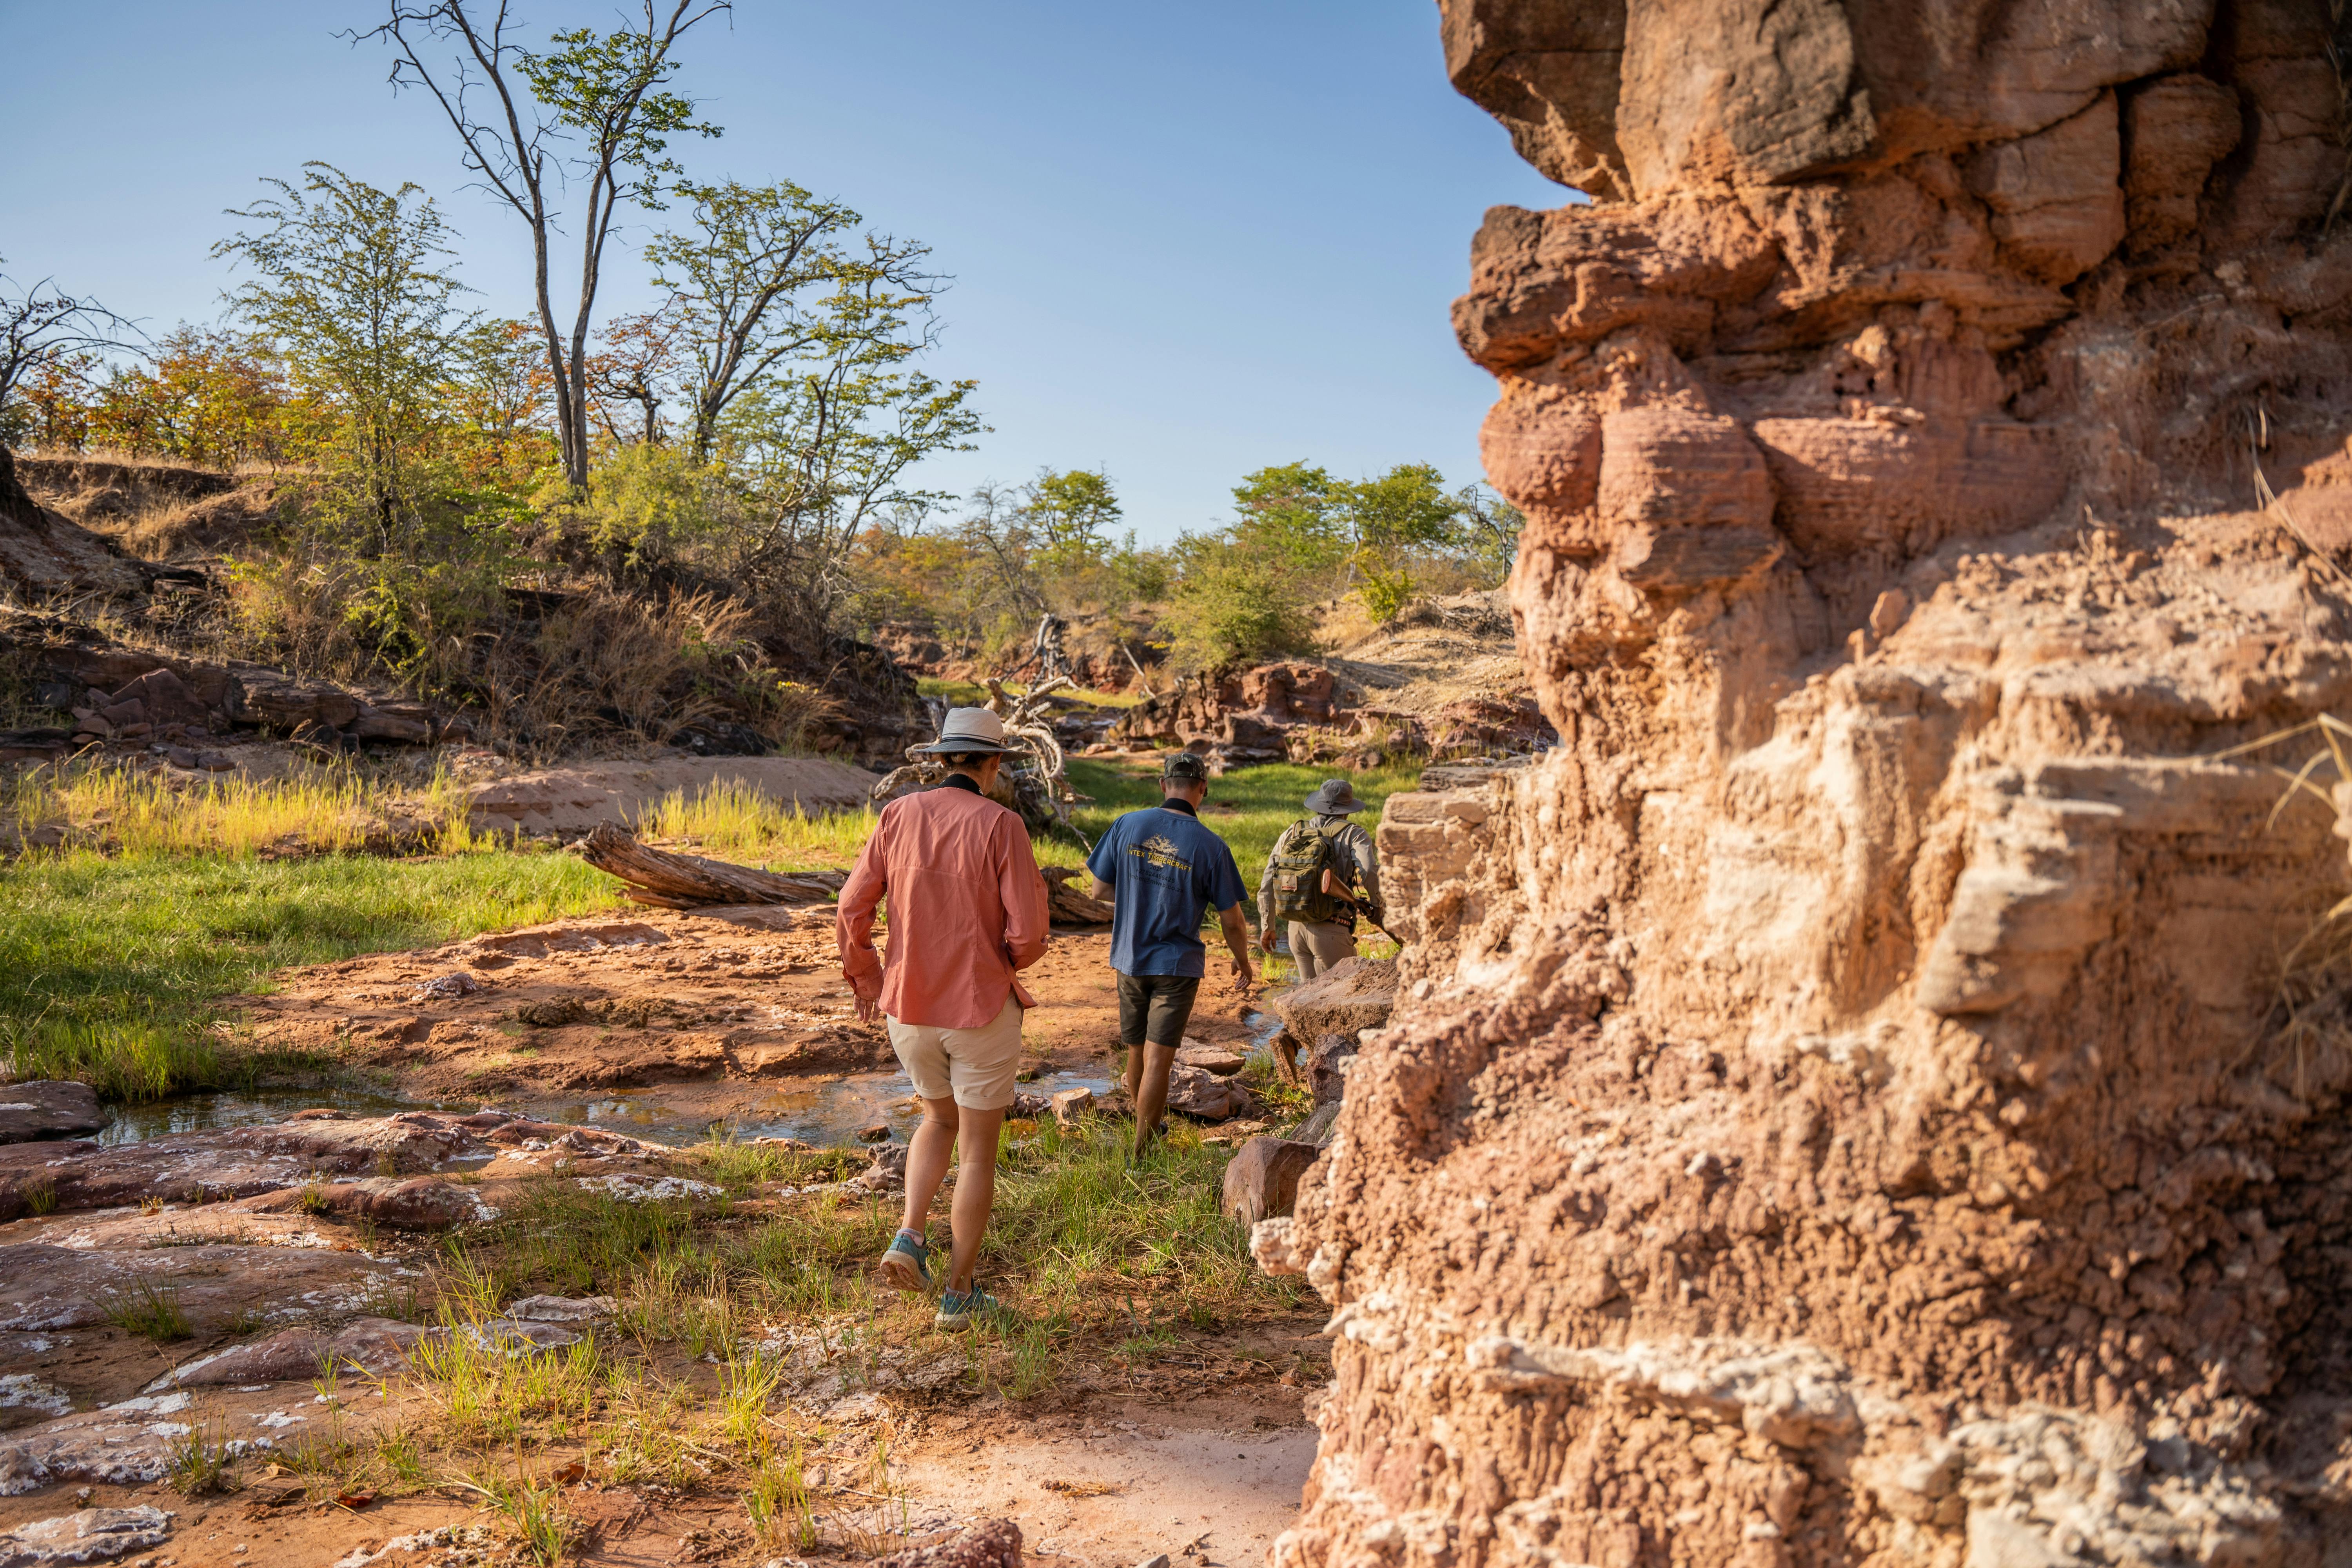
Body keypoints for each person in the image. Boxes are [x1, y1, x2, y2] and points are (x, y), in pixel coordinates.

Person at [838, 707, 1049, 1330]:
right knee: (979, 1154)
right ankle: (958, 1294)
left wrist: (870, 977)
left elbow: (853, 906)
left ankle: (908, 1236)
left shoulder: (898, 814)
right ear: (992, 765)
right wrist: (1004, 960)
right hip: (979, 1007)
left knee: (935, 1118)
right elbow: (1030, 933)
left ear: (942, 760)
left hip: (908, 1007)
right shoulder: (1003, 824)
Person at [1085, 751, 1254, 1154]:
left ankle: (1144, 1128)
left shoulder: (1128, 824)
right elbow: (1233, 920)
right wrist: (1244, 962)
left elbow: (1099, 890)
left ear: (1164, 785)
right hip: (1176, 965)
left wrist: (1139, 890)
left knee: (1137, 1049)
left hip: (1128, 958)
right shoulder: (1211, 845)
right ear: (1203, 789)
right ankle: (1142, 1148)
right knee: (1160, 1058)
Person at [1259, 778, 1384, 980]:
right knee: (1341, 1002)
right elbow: (1369, 871)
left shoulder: (1294, 831)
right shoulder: (1355, 833)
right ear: (1348, 809)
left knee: (1306, 1002)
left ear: (1319, 805)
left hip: (1296, 931)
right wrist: (1377, 905)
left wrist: (1268, 926)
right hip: (1332, 929)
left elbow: (1268, 879)